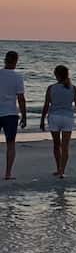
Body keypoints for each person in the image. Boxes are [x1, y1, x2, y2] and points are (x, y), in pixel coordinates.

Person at [40, 64, 76, 177]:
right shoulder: (72, 88)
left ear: (56, 75)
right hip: (68, 118)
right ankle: (62, 171)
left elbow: (46, 105)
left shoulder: (51, 88)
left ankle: (58, 167)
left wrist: (42, 119)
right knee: (65, 146)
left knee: (56, 145)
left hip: (54, 117)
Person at [0, 49, 27, 181]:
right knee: (10, 144)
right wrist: (24, 115)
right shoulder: (17, 77)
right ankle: (8, 173)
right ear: (16, 61)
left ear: (5, 59)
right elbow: (21, 98)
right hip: (10, 113)